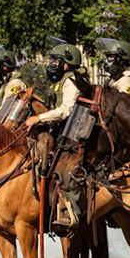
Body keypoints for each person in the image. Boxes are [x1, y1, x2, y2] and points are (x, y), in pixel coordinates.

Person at [23, 42, 92, 236]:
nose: (52, 65)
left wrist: (39, 118)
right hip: (63, 131)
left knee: (64, 171)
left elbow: (66, 110)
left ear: (67, 63)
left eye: (56, 61)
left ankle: (70, 213)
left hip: (74, 134)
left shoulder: (72, 81)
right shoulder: (62, 82)